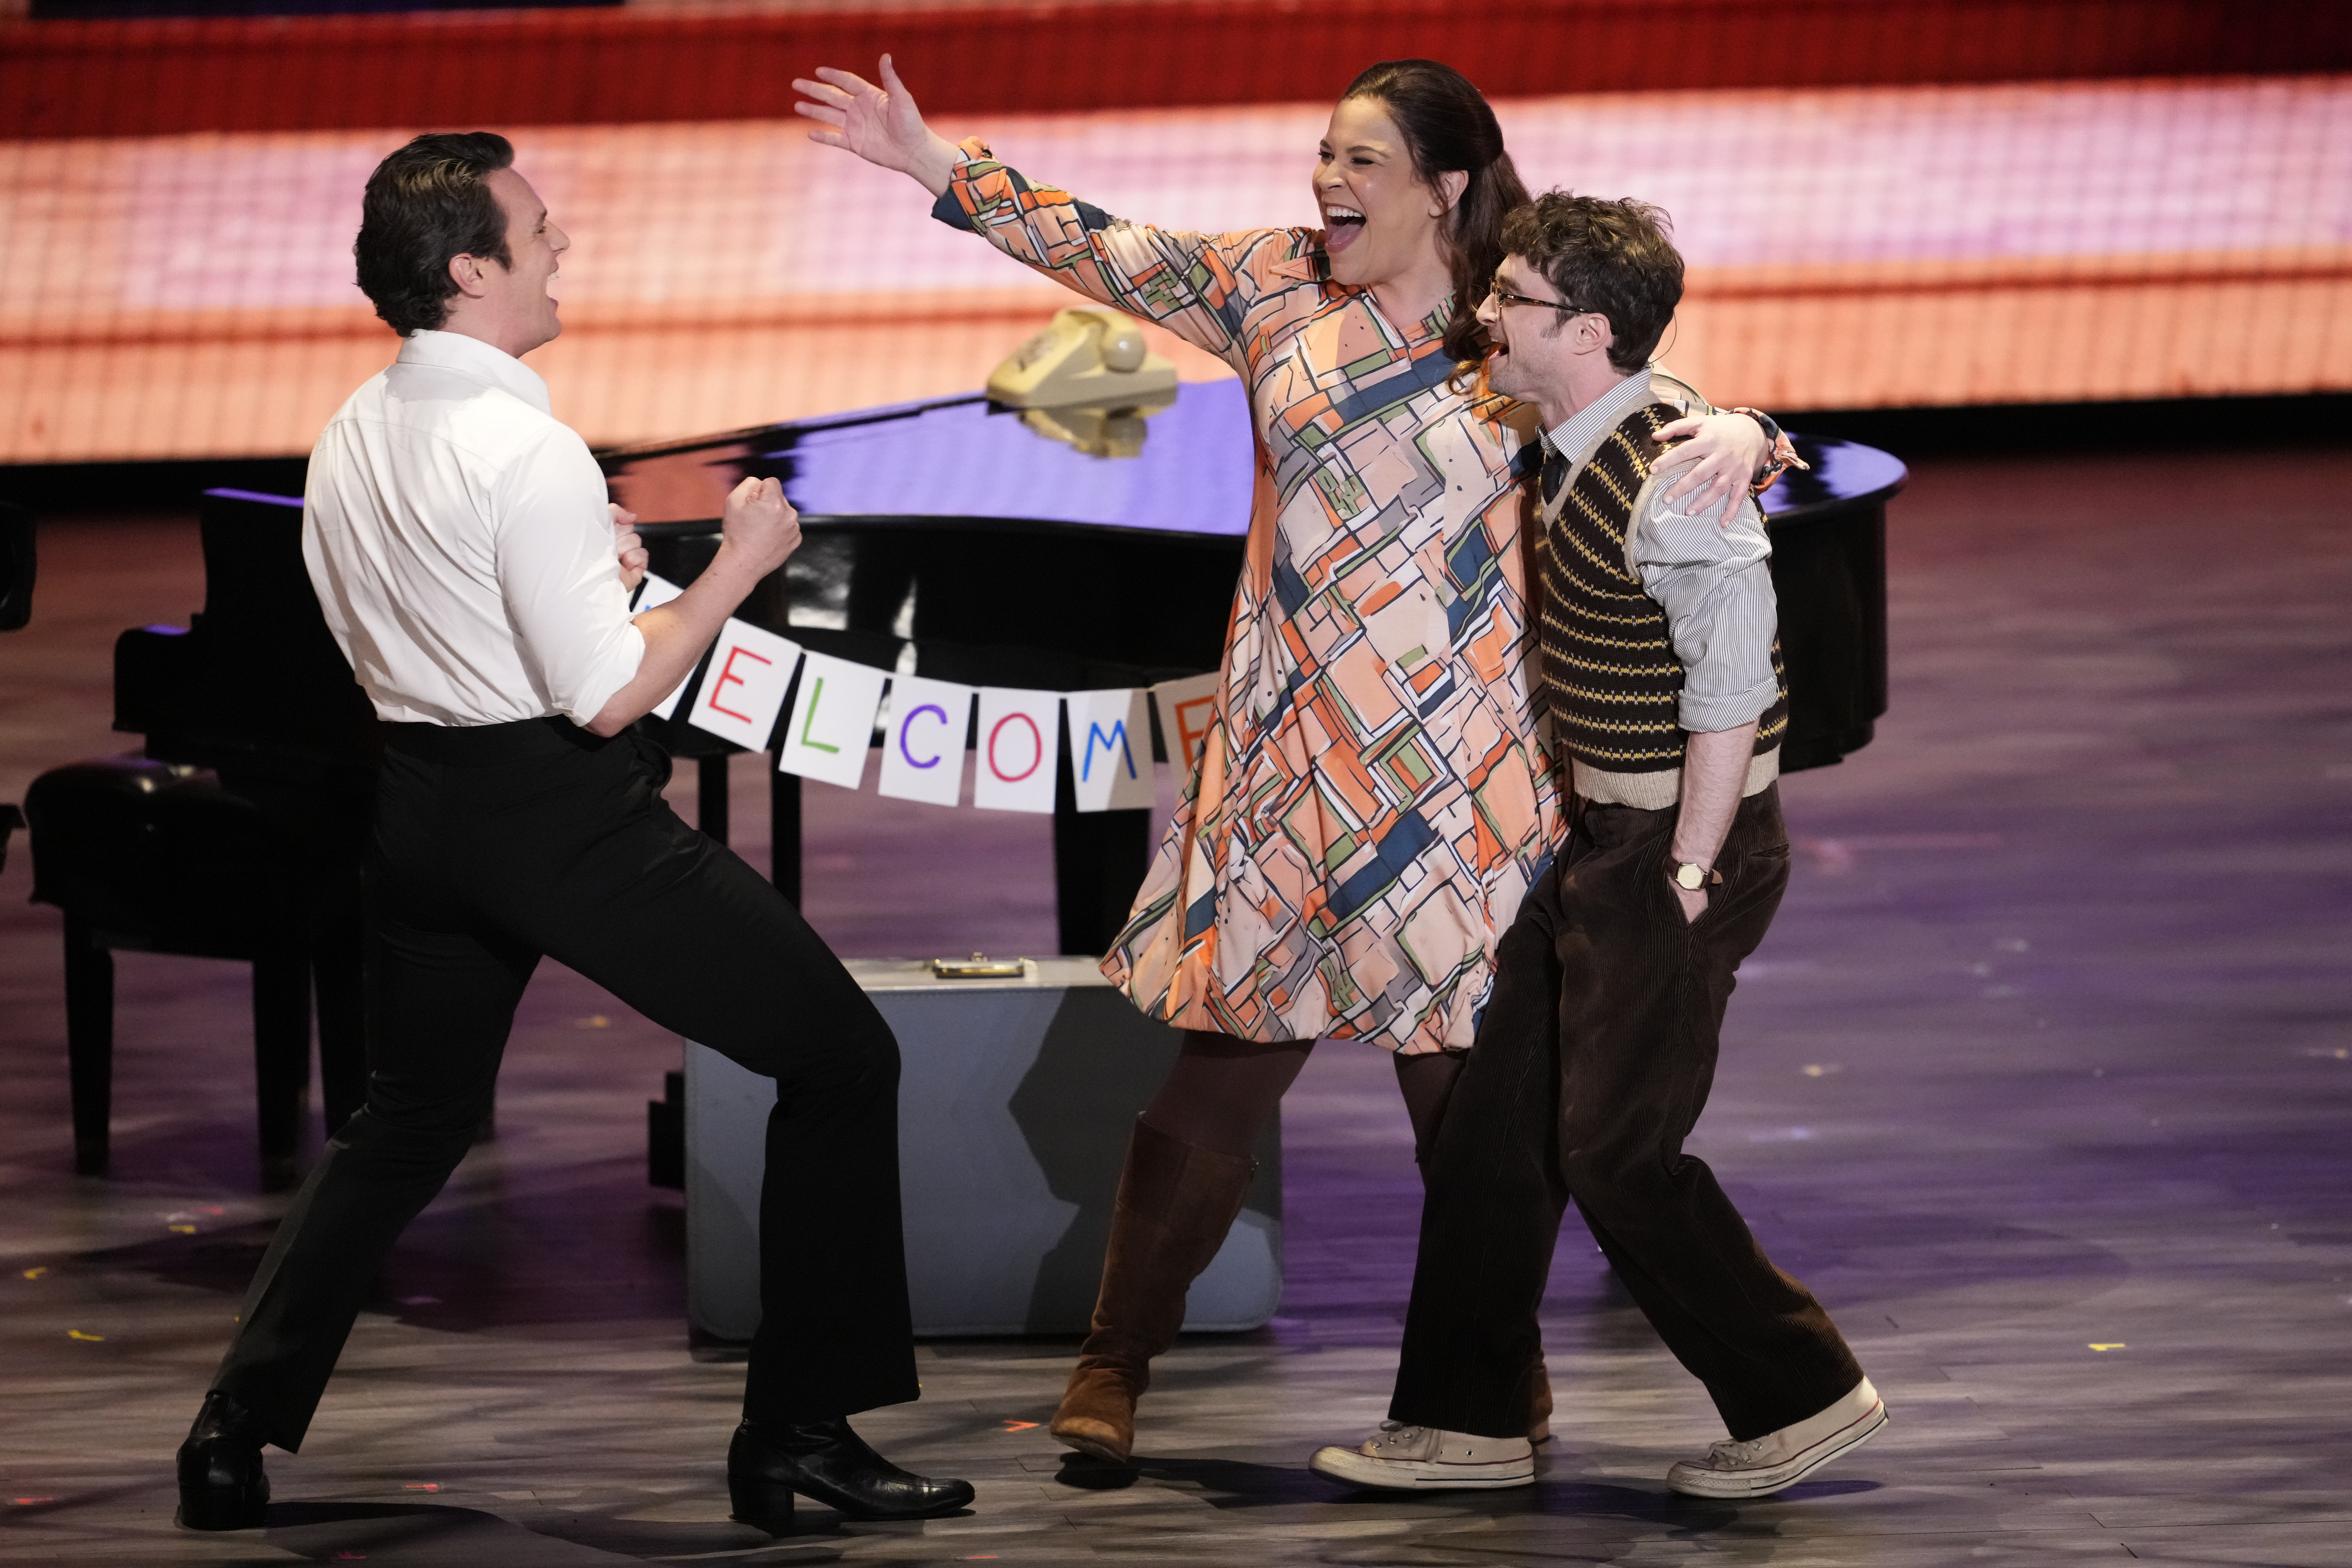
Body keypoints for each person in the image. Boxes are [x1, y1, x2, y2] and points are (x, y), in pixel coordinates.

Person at [793, 58, 1793, 1465]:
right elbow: (1105, 246)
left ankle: (1480, 1387)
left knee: (1473, 1110)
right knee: (1217, 1072)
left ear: (1446, 186)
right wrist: (931, 164)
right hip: (1286, 767)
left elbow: (1647, 404)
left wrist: (1753, 432)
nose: (1327, 182)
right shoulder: (1273, 286)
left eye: (1362, 162)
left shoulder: (1506, 319)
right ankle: (1113, 1364)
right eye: (1323, 154)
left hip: (1467, 783)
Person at [174, 132, 972, 1535]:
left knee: (405, 1125)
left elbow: (414, 628)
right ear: (472, 269)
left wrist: (596, 573)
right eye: (540, 232)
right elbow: (607, 697)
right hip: (561, 821)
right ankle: (795, 1431)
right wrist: (734, 562)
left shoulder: (353, 430)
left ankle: (234, 1426)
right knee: (841, 1058)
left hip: (418, 810)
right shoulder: (524, 444)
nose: (563, 248)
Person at [1309, 192, 1882, 1498]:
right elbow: (1703, 406)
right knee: (1496, 1132)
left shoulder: (1672, 480)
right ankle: (1469, 1420)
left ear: (1583, 330)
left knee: (1617, 1151)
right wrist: (1758, 430)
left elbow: (1730, 690)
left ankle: (1802, 1394)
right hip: (1607, 839)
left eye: (1509, 297)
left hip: (1676, 850)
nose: (1484, 316)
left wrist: (1683, 868)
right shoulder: (1611, 418)